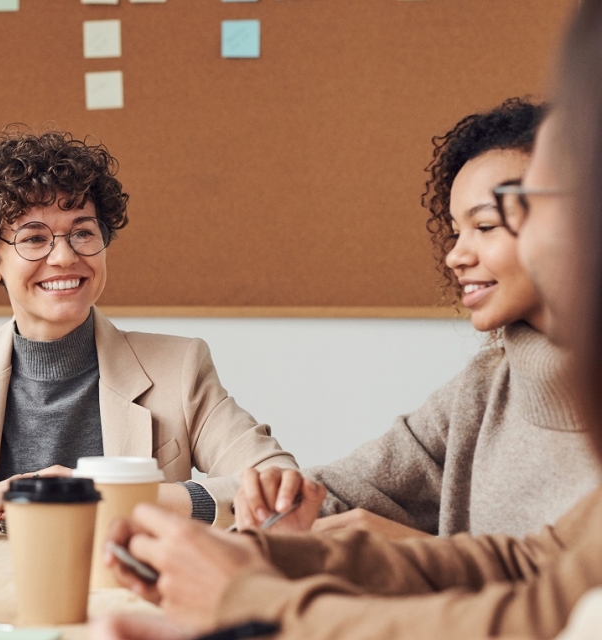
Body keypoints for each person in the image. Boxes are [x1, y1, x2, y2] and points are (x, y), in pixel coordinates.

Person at [91, 2, 602, 637]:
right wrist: (262, 554)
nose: (457, 252)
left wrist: (254, 600)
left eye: (514, 211)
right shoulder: (489, 381)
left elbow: (531, 615)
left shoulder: (179, 360)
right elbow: (536, 563)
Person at [0, 130, 297, 528]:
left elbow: (279, 483)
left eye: (83, 232)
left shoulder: (178, 367)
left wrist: (114, 497)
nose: (66, 256)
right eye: (33, 238)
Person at [233, 99, 599, 540]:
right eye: (455, 230)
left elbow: (561, 592)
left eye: (484, 227)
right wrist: (285, 499)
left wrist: (406, 546)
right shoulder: (484, 387)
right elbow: (345, 490)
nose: (455, 256)